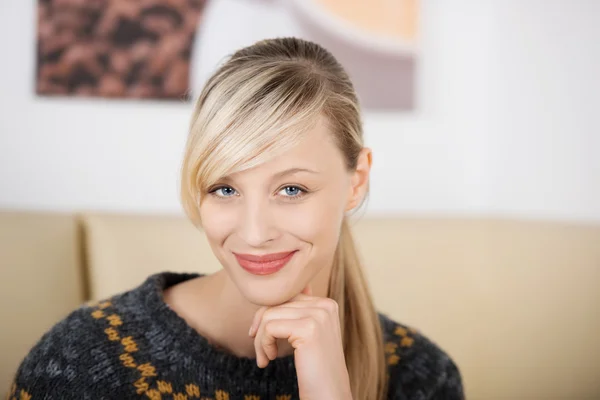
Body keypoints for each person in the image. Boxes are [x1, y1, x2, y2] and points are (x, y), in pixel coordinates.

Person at [8, 37, 464, 400]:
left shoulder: (420, 378)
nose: (254, 233)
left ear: (357, 181)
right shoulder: (84, 361)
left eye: (291, 189)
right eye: (224, 189)